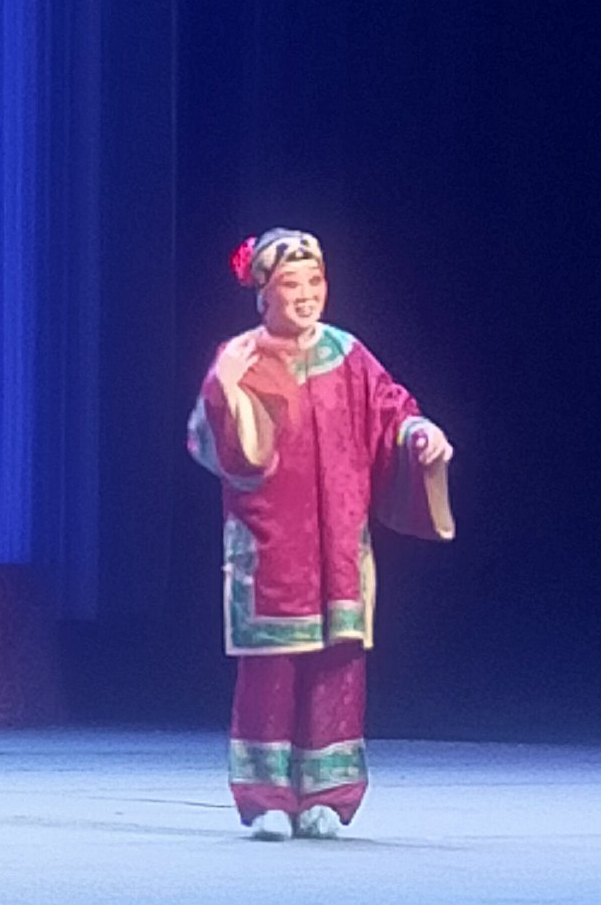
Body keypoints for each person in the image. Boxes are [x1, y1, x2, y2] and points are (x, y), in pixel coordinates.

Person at [186, 227, 454, 840]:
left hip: (338, 541)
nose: (306, 294)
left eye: (315, 281)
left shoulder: (347, 353)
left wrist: (419, 433)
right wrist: (226, 386)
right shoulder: (242, 356)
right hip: (269, 543)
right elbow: (224, 449)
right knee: (271, 668)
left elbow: (391, 408)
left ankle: (328, 795)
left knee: (338, 663)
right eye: (291, 284)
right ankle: (267, 797)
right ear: (264, 294)